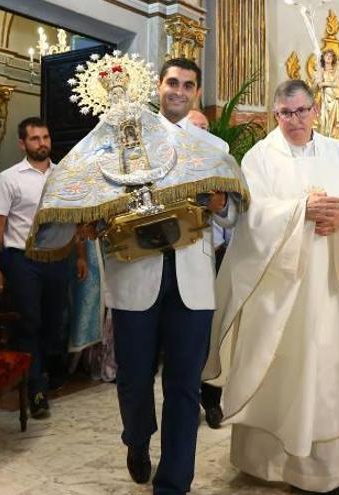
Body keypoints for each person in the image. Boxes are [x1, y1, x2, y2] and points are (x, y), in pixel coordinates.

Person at [204, 80, 339, 495]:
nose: (294, 120)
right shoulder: (260, 157)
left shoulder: (338, 153)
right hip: (277, 291)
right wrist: (301, 210)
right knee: (275, 368)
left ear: (315, 111)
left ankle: (319, 473)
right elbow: (250, 215)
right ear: (275, 115)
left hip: (325, 290)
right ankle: (262, 464)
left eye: (301, 111)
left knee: (322, 372)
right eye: (285, 113)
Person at [106, 57, 239, 494]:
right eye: (171, 82)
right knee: (134, 376)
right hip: (135, 274)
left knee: (184, 385)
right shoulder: (126, 141)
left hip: (193, 281)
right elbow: (100, 198)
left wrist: (220, 204)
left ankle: (174, 483)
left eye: (187, 85)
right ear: (159, 87)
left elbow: (236, 213)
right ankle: (137, 437)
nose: (178, 90)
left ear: (197, 92)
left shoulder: (214, 149)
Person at [0, 117, 88, 418]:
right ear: (22, 143)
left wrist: (81, 255)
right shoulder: (9, 178)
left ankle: (41, 371)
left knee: (54, 323)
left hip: (59, 259)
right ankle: (36, 388)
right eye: (35, 139)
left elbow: (76, 221)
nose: (42, 143)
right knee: (28, 322)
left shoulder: (65, 177)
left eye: (45, 137)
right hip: (22, 261)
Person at [184, 107, 229, 430]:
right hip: (188, 262)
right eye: (193, 128)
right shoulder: (177, 170)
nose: (200, 134)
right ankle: (188, 398)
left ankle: (212, 399)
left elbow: (234, 219)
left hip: (221, 259)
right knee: (191, 340)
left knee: (216, 336)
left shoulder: (221, 166)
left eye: (204, 128)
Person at [315, 48, 339, 138]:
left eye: (330, 56)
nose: (328, 57)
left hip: (335, 98)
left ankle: (332, 138)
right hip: (325, 99)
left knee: (334, 122)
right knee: (323, 121)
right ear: (323, 58)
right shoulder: (321, 71)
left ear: (333, 59)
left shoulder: (336, 72)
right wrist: (330, 84)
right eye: (327, 55)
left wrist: (326, 84)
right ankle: (325, 138)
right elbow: (319, 85)